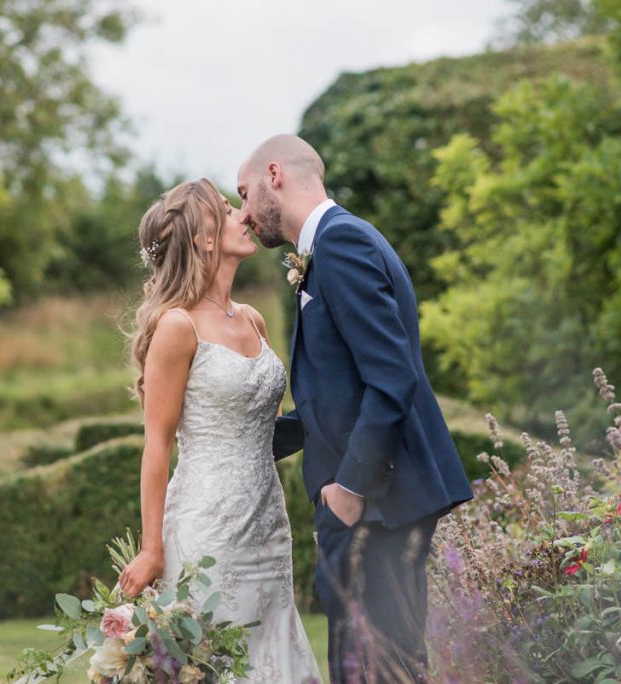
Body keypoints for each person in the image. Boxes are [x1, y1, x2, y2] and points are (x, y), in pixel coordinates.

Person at [237, 135, 474, 682]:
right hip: (374, 504)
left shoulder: (341, 243)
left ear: (276, 174)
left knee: (377, 667)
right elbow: (344, 393)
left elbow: (392, 377)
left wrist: (351, 490)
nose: (245, 214)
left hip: (376, 504)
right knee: (373, 664)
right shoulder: (334, 245)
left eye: (245, 193)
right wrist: (243, 437)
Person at [117, 178, 321, 683]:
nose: (243, 216)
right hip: (208, 528)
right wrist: (151, 548)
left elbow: (265, 433)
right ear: (204, 239)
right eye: (228, 212)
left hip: (269, 525)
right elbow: (158, 446)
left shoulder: (252, 319)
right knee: (217, 656)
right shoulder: (177, 327)